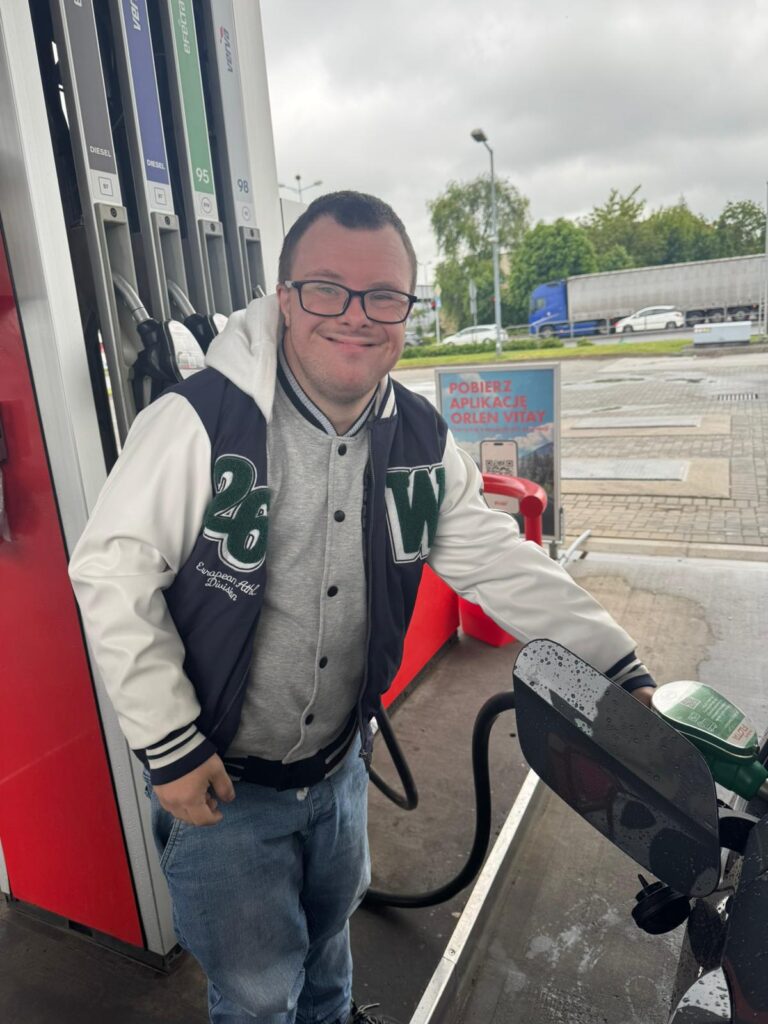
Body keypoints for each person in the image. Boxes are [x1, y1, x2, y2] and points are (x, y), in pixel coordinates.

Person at [69, 190, 655, 1024]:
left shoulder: (419, 439)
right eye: (326, 290)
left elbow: (495, 558)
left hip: (341, 762)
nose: (355, 315)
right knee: (257, 991)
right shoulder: (197, 423)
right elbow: (111, 573)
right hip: (224, 786)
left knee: (330, 938)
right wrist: (169, 744)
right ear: (285, 298)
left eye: (383, 296)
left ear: (406, 313)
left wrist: (617, 667)